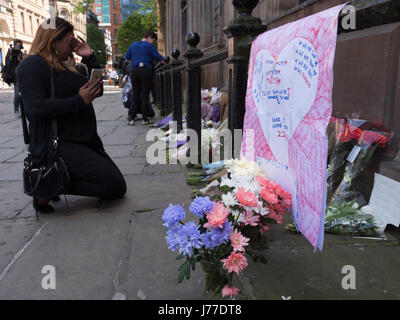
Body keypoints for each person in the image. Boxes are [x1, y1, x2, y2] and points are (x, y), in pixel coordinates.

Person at [17, 17, 126, 214]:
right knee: (115, 186)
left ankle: (52, 181)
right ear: (53, 39)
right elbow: (35, 107)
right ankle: (45, 186)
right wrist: (78, 101)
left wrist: (89, 56)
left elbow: (96, 90)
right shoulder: (32, 65)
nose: (73, 42)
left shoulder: (65, 66)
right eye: (68, 38)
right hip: (58, 144)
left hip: (84, 140)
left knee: (114, 182)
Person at [125, 30, 168, 126]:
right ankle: (145, 119)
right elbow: (158, 57)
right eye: (153, 40)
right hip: (145, 70)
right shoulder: (149, 46)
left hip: (134, 71)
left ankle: (131, 118)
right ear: (149, 37)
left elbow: (127, 57)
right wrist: (165, 60)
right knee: (145, 95)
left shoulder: (133, 45)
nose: (153, 42)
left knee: (136, 95)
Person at [5, 39, 24, 117]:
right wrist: (11, 57)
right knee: (17, 94)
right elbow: (8, 64)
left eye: (19, 44)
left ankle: (24, 109)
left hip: (22, 74)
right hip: (15, 75)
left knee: (23, 93)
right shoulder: (10, 52)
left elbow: (24, 62)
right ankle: (16, 110)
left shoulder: (21, 53)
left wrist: (21, 58)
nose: (17, 45)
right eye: (16, 44)